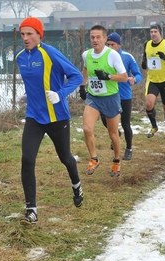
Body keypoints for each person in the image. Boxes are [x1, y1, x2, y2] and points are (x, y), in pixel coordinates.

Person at [15, 17, 84, 225]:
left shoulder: (50, 53)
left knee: (66, 158)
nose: (25, 38)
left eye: (29, 34)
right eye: (22, 34)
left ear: (39, 35)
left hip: (57, 116)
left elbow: (77, 76)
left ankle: (76, 185)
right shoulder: (20, 57)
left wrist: (60, 94)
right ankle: (31, 210)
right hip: (34, 117)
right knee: (27, 159)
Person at [80, 25, 128, 177]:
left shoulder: (112, 55)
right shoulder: (86, 54)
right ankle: (94, 159)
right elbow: (86, 69)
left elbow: (124, 77)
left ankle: (116, 161)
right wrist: (83, 85)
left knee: (113, 134)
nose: (95, 40)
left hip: (110, 97)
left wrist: (108, 76)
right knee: (87, 129)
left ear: (105, 39)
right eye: (92, 37)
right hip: (93, 97)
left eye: (98, 37)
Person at [100, 32, 142, 160]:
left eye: (113, 44)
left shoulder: (127, 57)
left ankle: (129, 148)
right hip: (108, 94)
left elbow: (138, 74)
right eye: (108, 44)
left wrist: (134, 79)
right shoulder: (103, 56)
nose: (110, 47)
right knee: (104, 119)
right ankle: (116, 134)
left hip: (124, 95)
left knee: (125, 123)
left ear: (119, 45)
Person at [141, 24, 165, 139]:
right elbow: (145, 58)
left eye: (155, 31)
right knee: (149, 103)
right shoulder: (147, 44)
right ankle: (154, 127)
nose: (153, 34)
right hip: (152, 79)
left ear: (160, 33)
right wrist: (143, 63)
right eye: (151, 31)